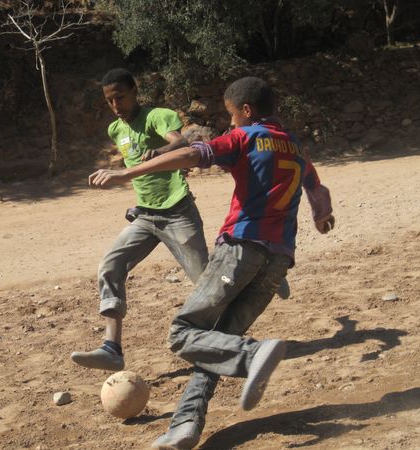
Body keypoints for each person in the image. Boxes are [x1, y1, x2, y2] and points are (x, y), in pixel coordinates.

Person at [88, 76, 335, 449]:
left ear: (246, 111)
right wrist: (322, 215)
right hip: (279, 259)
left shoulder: (245, 137)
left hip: (240, 249)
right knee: (217, 342)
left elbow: (192, 154)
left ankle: (253, 355)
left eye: (232, 114)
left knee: (183, 333)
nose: (230, 121)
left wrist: (127, 172)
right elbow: (317, 188)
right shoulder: (293, 143)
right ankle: (185, 424)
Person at [70, 68, 209, 372]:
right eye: (110, 101)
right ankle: (111, 348)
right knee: (111, 264)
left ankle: (251, 290)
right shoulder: (115, 130)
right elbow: (140, 174)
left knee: (205, 281)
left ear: (135, 91)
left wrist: (158, 151)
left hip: (177, 212)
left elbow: (181, 143)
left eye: (120, 97)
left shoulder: (157, 116)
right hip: (145, 215)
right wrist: (138, 203)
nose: (116, 105)